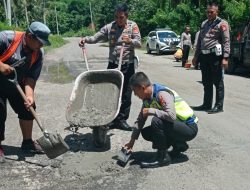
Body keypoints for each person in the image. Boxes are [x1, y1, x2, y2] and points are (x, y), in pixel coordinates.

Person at [79, 3, 141, 131]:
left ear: (126, 16)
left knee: (125, 93)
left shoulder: (132, 26)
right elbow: (96, 38)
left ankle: (121, 120)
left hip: (127, 64)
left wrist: (130, 41)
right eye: (117, 17)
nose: (119, 20)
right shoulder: (110, 27)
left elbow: (139, 42)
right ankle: (110, 119)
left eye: (121, 17)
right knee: (111, 92)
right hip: (113, 64)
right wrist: (85, 39)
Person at [0, 21, 51, 162]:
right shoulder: (5, 38)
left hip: (15, 83)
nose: (41, 46)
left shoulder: (38, 53)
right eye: (40, 42)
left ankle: (27, 143)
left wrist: (29, 96)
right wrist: (1, 65)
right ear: (29, 36)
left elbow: (31, 78)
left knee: (28, 108)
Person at [124, 72, 198, 168]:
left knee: (157, 121)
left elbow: (171, 116)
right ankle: (179, 145)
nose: (134, 94)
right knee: (147, 132)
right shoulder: (147, 99)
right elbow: (140, 120)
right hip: (177, 127)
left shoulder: (162, 94)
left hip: (189, 128)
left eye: (135, 91)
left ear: (142, 87)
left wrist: (152, 111)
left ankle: (162, 158)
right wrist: (131, 142)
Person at [192, 2, 230, 114]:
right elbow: (200, 41)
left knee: (217, 81)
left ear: (216, 12)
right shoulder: (204, 24)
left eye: (211, 12)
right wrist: (196, 56)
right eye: (207, 12)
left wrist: (225, 58)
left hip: (215, 56)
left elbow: (226, 41)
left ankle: (219, 106)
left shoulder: (222, 24)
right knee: (206, 81)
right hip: (204, 56)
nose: (209, 14)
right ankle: (206, 104)